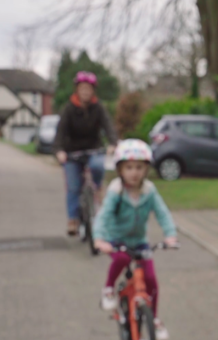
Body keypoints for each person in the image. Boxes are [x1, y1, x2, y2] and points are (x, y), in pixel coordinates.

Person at [93, 139, 178, 340]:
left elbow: (162, 213)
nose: (134, 172)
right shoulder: (116, 190)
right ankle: (108, 290)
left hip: (140, 242)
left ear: (146, 169)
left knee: (150, 280)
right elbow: (103, 215)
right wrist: (99, 239)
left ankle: (155, 319)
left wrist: (170, 235)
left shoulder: (149, 191)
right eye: (129, 167)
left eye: (139, 167)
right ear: (120, 169)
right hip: (116, 240)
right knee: (122, 259)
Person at [53, 71, 118, 236]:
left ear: (93, 91)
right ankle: (73, 219)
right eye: (82, 89)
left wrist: (112, 143)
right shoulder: (69, 108)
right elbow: (60, 132)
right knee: (73, 186)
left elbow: (108, 125)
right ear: (77, 90)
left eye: (88, 89)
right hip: (72, 152)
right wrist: (59, 150)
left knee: (97, 166)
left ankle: (97, 188)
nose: (85, 92)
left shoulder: (98, 107)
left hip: (93, 149)